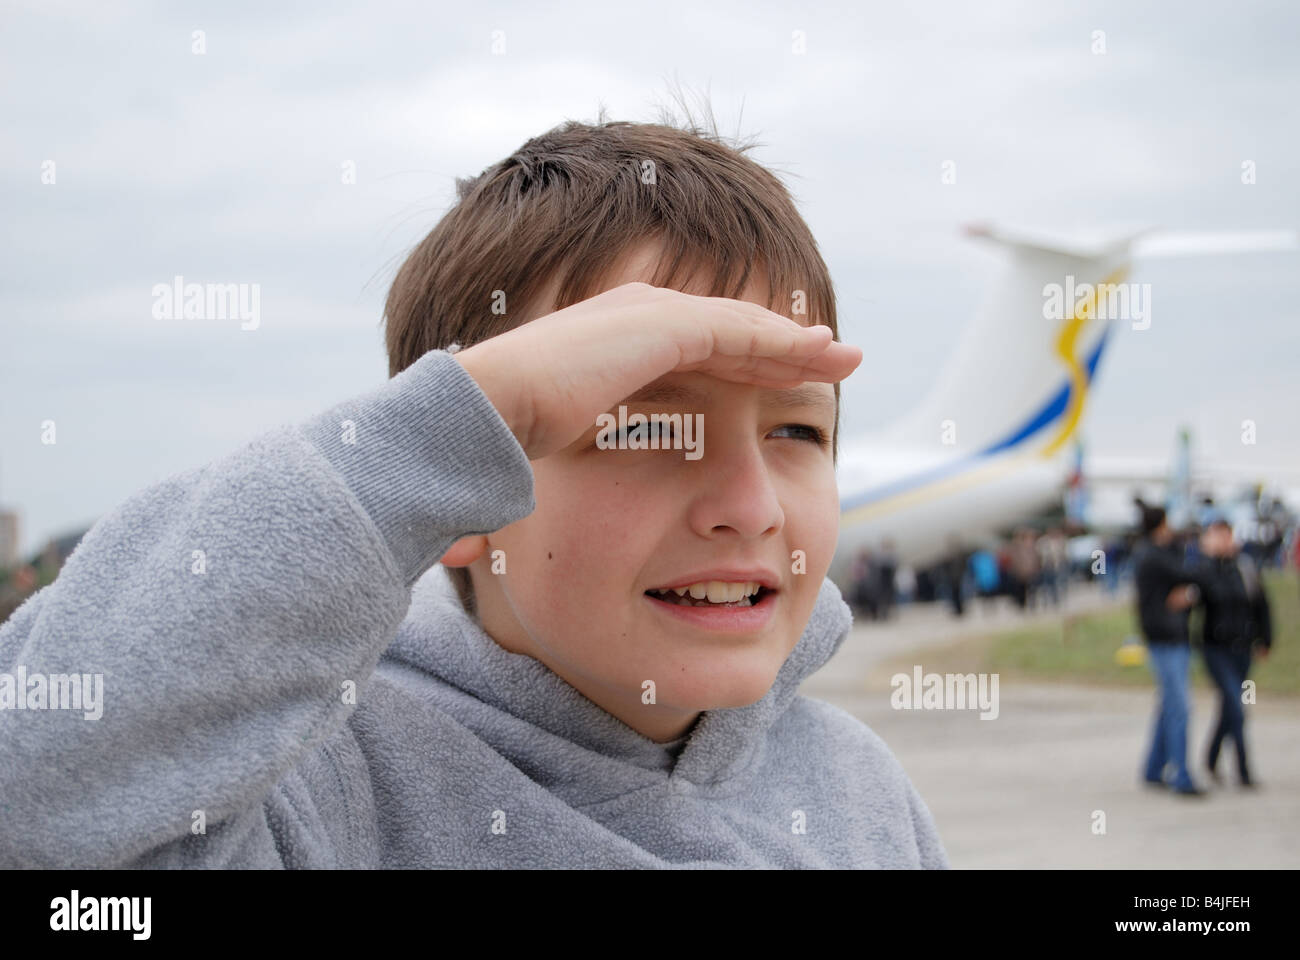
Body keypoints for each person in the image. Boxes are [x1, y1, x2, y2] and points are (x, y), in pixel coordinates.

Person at [0, 114, 948, 868]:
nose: (753, 504)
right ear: (460, 486)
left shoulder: (856, 791)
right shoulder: (325, 796)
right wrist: (453, 426)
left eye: (796, 430)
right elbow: (34, 793)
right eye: (652, 427)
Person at [1133, 501, 1206, 796]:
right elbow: (1193, 574)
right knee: (1179, 708)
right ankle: (1180, 773)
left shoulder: (1155, 554)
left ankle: (1153, 768)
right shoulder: (1153, 556)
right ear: (1161, 525)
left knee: (1168, 707)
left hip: (1170, 636)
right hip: (1165, 639)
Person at [1195, 519, 1272, 788]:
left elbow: (1262, 605)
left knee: (1230, 707)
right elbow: (1194, 595)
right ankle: (1244, 771)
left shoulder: (1245, 568)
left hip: (1243, 648)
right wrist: (1208, 557)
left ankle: (1211, 757)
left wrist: (1265, 639)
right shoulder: (1204, 569)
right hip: (1215, 649)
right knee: (1236, 707)